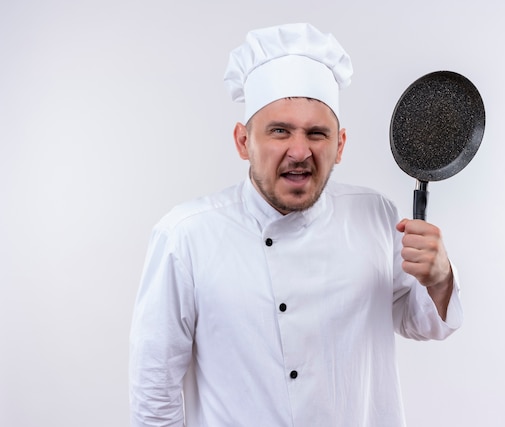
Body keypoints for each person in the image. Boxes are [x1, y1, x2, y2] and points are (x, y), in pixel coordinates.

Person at [129, 23, 462, 427]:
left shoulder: (377, 215)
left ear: (339, 146)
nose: (299, 151)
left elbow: (423, 323)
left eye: (317, 133)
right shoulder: (184, 237)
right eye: (279, 131)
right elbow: (154, 395)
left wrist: (440, 278)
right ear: (242, 141)